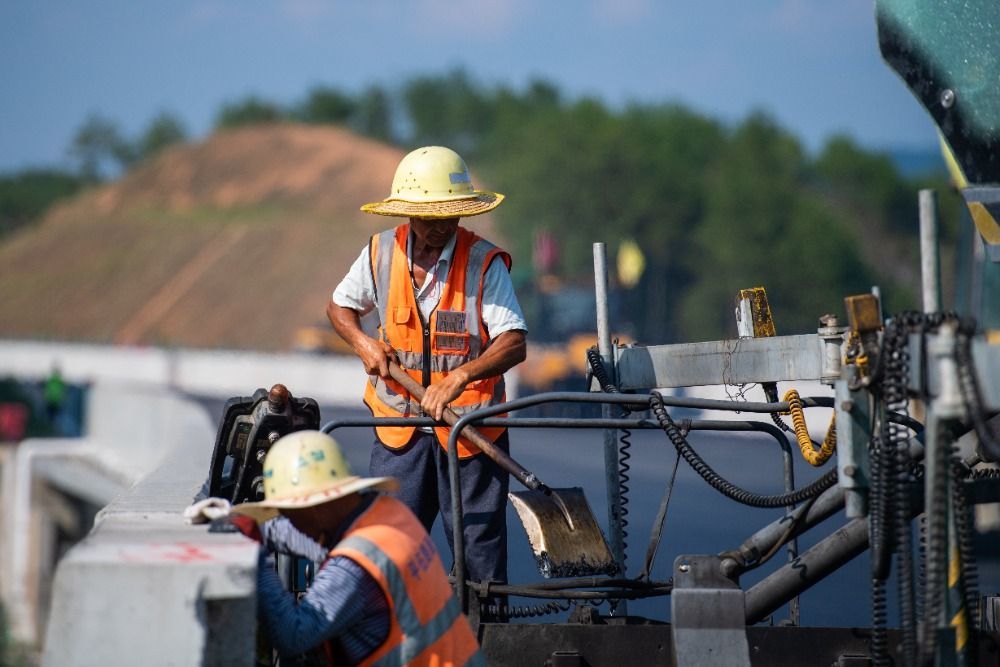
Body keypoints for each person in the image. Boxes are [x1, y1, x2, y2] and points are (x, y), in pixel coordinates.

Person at [326, 146, 527, 599]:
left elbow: (514, 343)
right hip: (400, 428)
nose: (439, 227)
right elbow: (339, 307)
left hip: (472, 432)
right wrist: (363, 343)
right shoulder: (380, 252)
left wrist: (458, 379)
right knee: (392, 545)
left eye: (449, 217)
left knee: (479, 558)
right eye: (428, 217)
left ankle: (480, 641)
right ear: (407, 213)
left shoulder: (484, 263)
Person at [230, 429, 483, 666]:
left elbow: (293, 636)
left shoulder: (352, 569)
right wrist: (255, 529)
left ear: (314, 508)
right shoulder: (391, 517)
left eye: (288, 514)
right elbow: (316, 541)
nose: (289, 523)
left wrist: (255, 556)